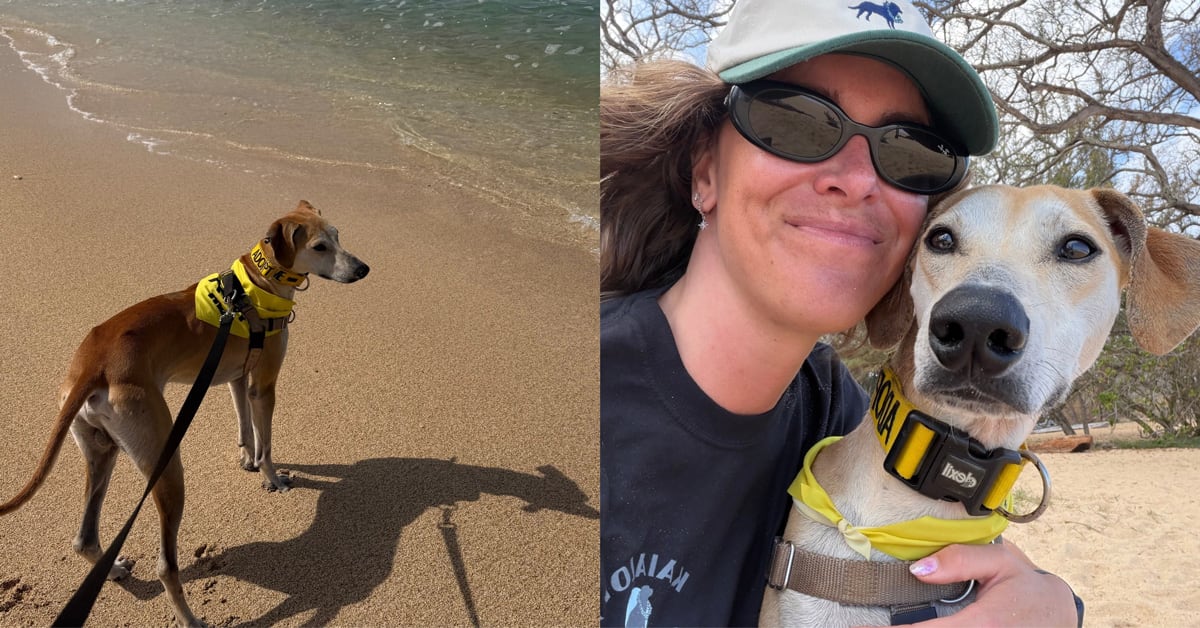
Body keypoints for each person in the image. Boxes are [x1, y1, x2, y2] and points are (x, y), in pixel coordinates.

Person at [599, 0, 1083, 626]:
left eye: (912, 151)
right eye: (796, 123)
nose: (856, 179)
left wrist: (1053, 603)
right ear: (704, 171)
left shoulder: (836, 415)